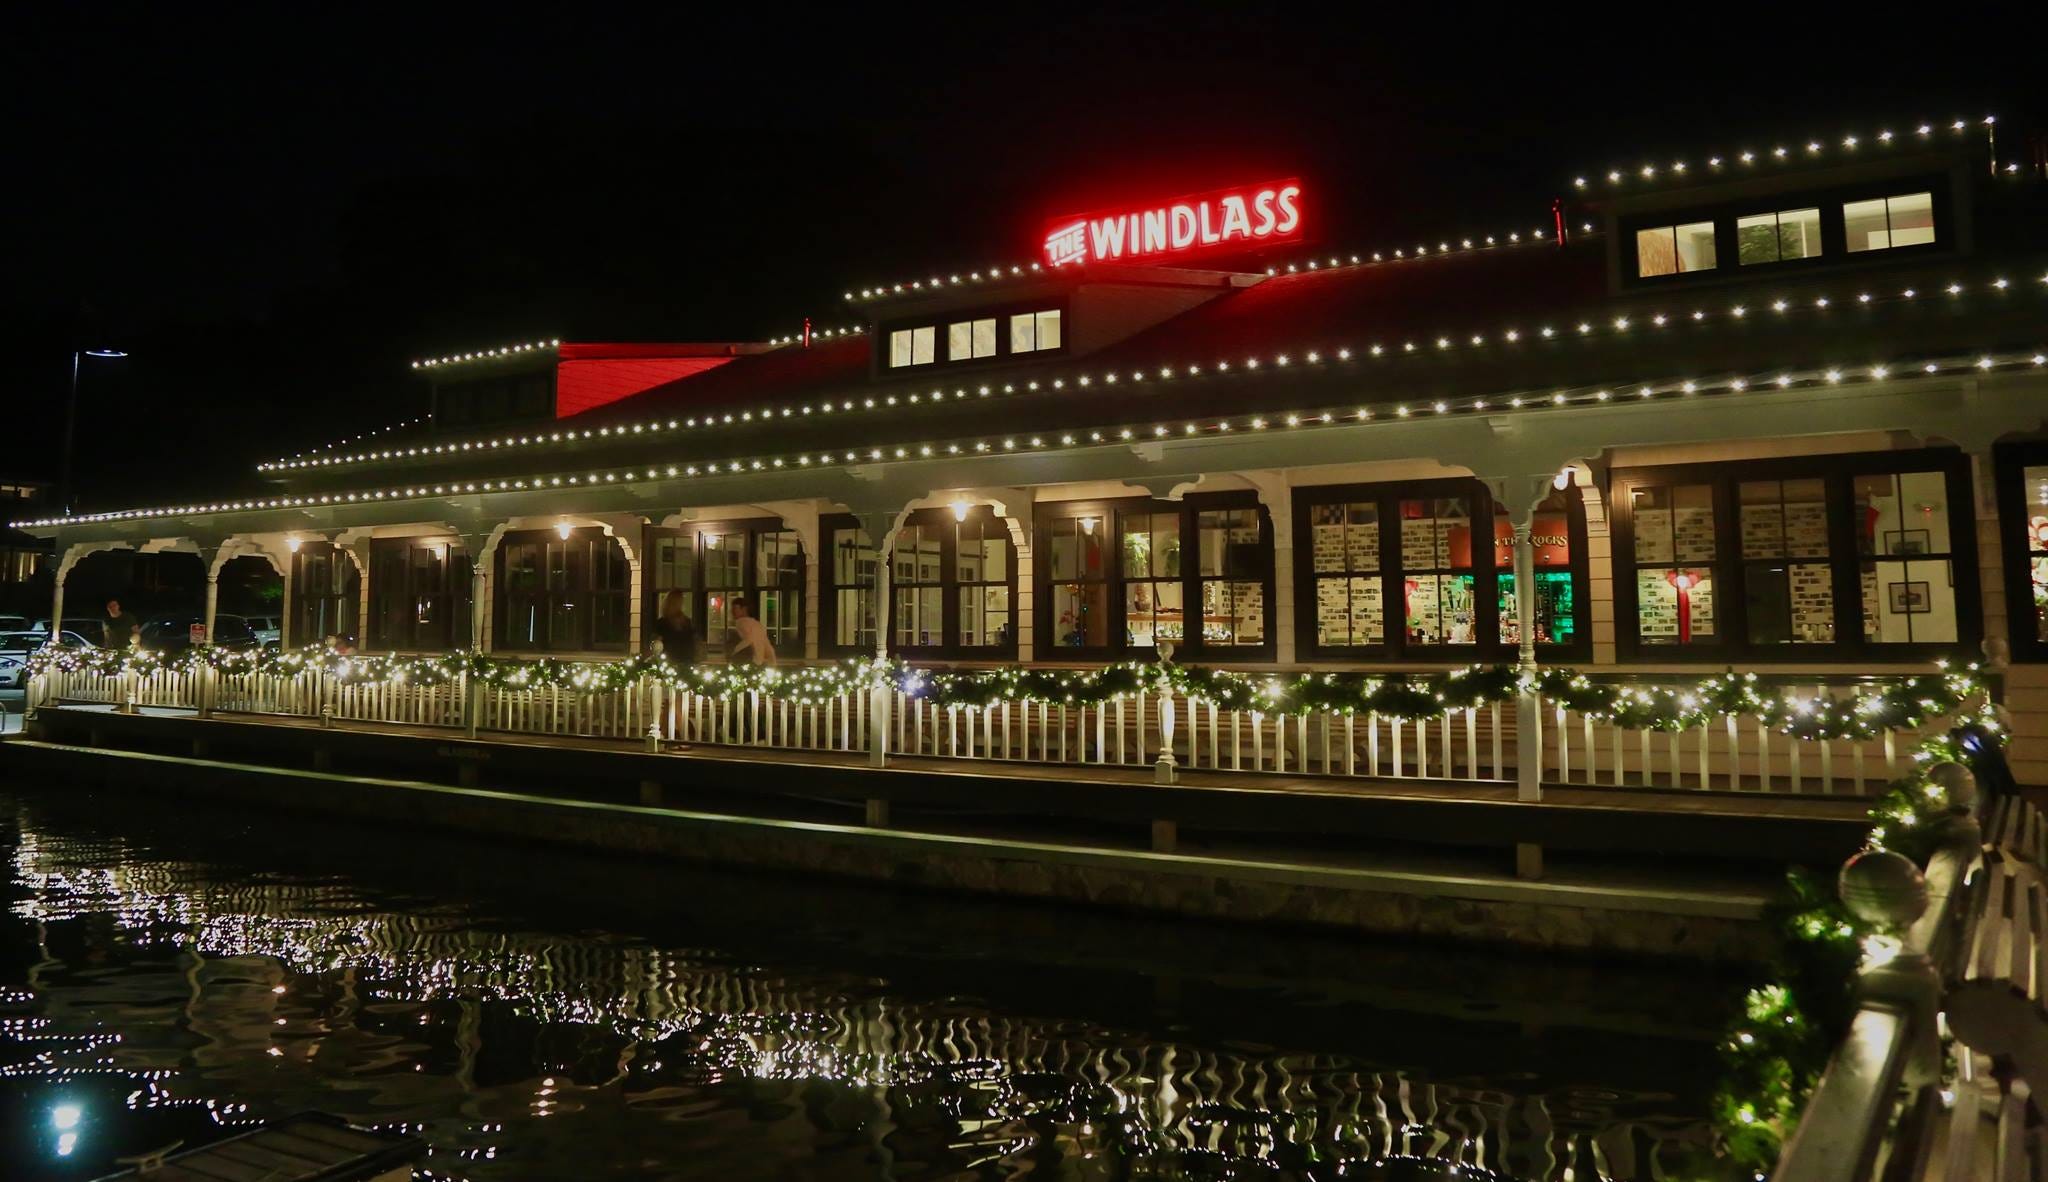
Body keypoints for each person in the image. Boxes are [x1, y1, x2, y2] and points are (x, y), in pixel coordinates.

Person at [647, 589, 700, 669]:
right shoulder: (662, 623)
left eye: (681, 602)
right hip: (668, 663)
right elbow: (656, 645)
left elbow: (694, 639)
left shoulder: (686, 622)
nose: (679, 604)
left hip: (687, 662)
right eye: (677, 602)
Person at [727, 596, 776, 667]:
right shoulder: (757, 624)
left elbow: (749, 639)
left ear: (744, 609)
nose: (732, 612)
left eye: (735, 608)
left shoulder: (741, 622)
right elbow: (767, 645)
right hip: (760, 663)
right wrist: (772, 662)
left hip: (748, 662)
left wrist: (734, 651)